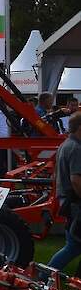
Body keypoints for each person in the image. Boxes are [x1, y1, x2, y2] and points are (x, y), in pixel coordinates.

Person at [48, 112, 81, 271]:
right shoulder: (76, 148)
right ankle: (45, 277)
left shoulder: (65, 144)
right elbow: (76, 179)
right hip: (74, 200)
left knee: (75, 244)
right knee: (73, 245)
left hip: (67, 198)